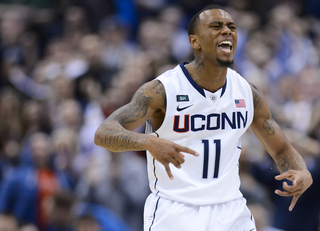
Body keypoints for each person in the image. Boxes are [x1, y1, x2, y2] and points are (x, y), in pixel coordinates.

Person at [94, 5, 312, 231]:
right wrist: (147, 142)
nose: (227, 31)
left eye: (232, 27)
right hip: (176, 210)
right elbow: (103, 133)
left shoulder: (248, 93)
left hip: (230, 210)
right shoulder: (162, 90)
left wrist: (302, 171)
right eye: (216, 26)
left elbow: (282, 149)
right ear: (194, 41)